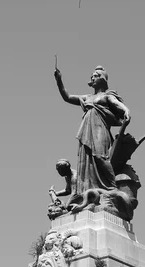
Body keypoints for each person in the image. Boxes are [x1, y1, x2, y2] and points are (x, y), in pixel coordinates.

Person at [54, 66, 130, 195]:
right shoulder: (87, 97)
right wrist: (59, 80)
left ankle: (112, 188)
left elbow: (117, 104)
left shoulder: (107, 95)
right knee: (85, 160)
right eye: (92, 76)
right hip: (87, 129)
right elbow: (67, 97)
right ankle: (88, 189)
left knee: (100, 157)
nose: (92, 78)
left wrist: (126, 111)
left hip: (100, 129)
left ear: (102, 78)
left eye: (95, 76)